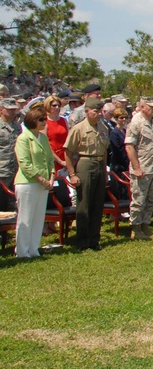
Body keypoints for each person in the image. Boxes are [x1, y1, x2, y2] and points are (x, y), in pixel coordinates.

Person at [64, 97, 110, 250]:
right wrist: (72, 174)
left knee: (97, 204)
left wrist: (104, 171)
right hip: (85, 163)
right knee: (84, 205)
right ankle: (82, 241)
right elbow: (68, 152)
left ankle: (94, 239)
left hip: (99, 165)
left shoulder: (103, 128)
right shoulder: (78, 128)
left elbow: (104, 151)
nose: (98, 114)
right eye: (95, 111)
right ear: (87, 111)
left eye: (100, 112)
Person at [13, 104, 54, 258]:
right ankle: (22, 251)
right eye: (41, 119)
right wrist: (41, 178)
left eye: (45, 119)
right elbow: (24, 163)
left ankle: (33, 249)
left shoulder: (42, 137)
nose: (44, 122)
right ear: (32, 121)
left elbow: (49, 159)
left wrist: (51, 176)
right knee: (26, 217)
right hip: (27, 182)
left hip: (43, 183)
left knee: (38, 217)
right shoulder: (23, 138)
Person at [124, 97, 153, 240]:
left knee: (152, 199)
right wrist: (136, 167)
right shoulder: (136, 123)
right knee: (139, 199)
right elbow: (129, 146)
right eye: (150, 107)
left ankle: (145, 225)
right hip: (142, 168)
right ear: (142, 107)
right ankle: (135, 228)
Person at [0, 98, 21, 211]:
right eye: (9, 110)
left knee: (12, 205)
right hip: (2, 171)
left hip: (15, 170)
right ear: (1, 110)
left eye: (14, 109)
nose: (13, 112)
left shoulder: (17, 126)